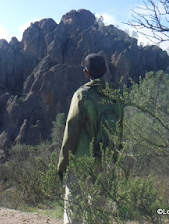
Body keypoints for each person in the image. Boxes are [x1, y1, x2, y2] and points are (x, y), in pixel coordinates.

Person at [57, 54, 123, 224]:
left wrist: (62, 165)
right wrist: (114, 160)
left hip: (82, 162)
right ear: (106, 71)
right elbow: (120, 131)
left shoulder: (82, 95)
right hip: (106, 161)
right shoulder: (116, 96)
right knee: (98, 212)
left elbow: (71, 132)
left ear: (86, 73)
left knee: (74, 211)